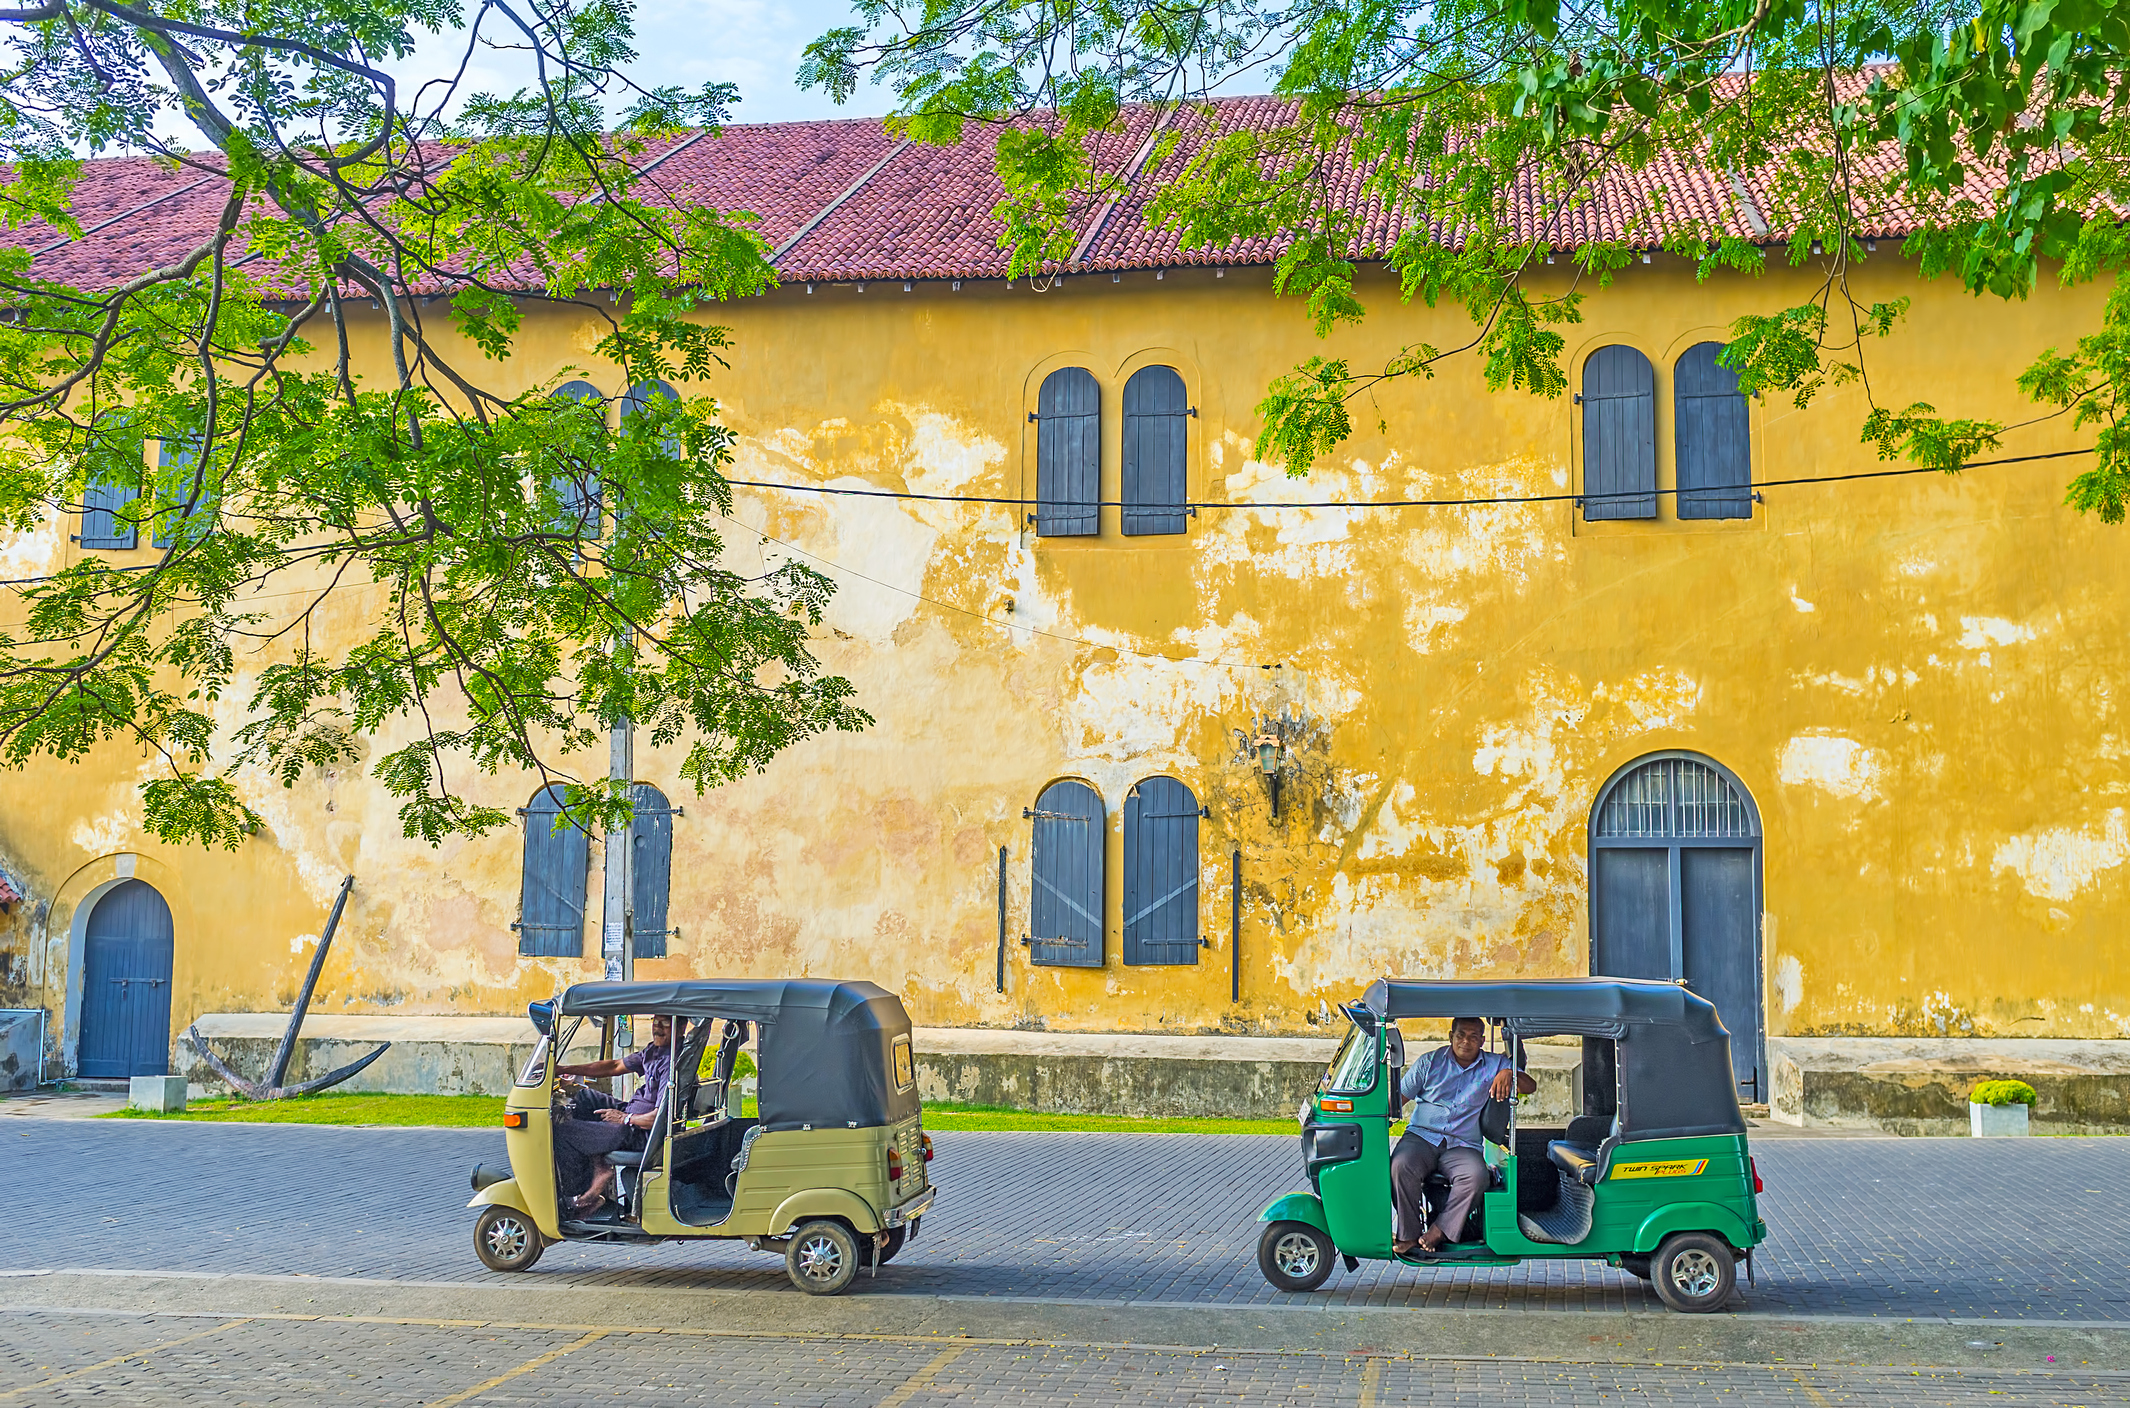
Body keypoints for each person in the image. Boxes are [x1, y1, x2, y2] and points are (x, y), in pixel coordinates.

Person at [1391, 1016, 1536, 1258]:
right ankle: (1408, 1236)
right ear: (1451, 1037)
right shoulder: (1429, 1062)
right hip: (1422, 1137)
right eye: (1460, 1035)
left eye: (1472, 1037)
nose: (1465, 1042)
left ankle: (1440, 1230)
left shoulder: (1494, 1064)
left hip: (1463, 1144)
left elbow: (1530, 1085)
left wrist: (1510, 1072)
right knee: (1400, 1165)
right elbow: (1395, 1101)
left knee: (1477, 1176)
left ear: (1481, 1040)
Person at [553, 1014, 673, 1214]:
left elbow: (659, 1118)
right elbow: (615, 1066)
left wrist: (624, 1118)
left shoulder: (672, 1062)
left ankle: (581, 1195)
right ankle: (599, 1166)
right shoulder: (654, 1051)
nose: (657, 1028)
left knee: (562, 1133)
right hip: (630, 1115)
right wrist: (565, 1069)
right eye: (655, 1021)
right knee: (584, 1098)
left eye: (665, 1023)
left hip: (639, 1132)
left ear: (680, 1027)